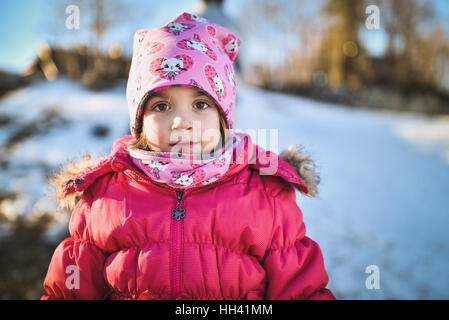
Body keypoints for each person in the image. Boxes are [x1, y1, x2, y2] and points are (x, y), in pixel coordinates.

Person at [41, 12, 335, 300]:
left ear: (224, 116)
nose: (182, 121)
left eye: (200, 104)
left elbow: (302, 292)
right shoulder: (104, 197)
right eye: (161, 106)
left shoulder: (267, 196)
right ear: (139, 121)